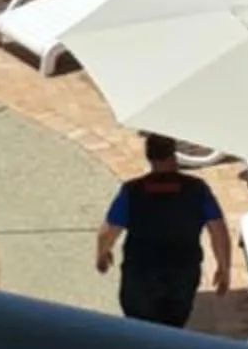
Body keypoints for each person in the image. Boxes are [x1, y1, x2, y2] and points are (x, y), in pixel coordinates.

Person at [95, 137, 231, 328]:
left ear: (149, 157)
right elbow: (219, 231)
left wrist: (102, 254)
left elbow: (107, 232)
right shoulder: (197, 190)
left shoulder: (132, 191)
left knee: (138, 330)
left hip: (140, 277)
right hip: (181, 276)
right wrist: (224, 268)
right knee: (172, 331)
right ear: (173, 154)